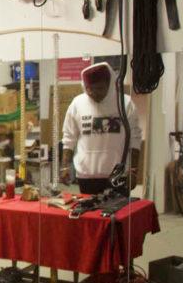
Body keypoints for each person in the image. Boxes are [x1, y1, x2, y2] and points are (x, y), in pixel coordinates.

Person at [60, 62, 142, 194]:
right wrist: (65, 167)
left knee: (118, 208)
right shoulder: (77, 104)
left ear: (109, 85)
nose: (93, 93)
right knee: (88, 208)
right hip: (86, 175)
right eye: (89, 89)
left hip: (118, 174)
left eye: (99, 88)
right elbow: (69, 138)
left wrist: (133, 171)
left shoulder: (125, 103)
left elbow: (135, 139)